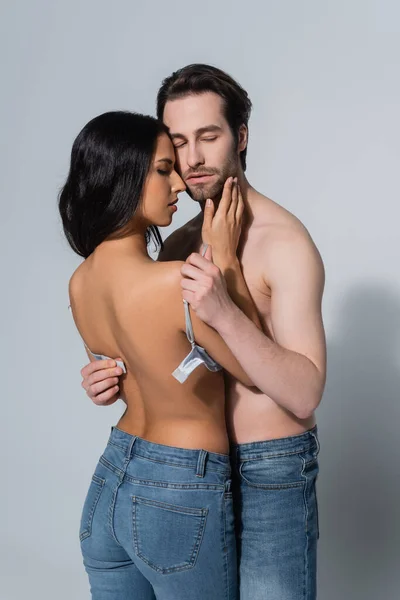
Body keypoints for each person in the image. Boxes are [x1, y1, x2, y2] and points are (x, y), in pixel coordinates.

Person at [81, 64, 327, 600]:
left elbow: (305, 391)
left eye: (209, 137)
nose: (191, 159)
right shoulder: (175, 243)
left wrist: (224, 297)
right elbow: (168, 354)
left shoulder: (283, 243)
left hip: (270, 469)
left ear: (240, 136)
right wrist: (112, 373)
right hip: (187, 473)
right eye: (179, 142)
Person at [59, 110, 261, 600]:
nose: (179, 184)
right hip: (177, 491)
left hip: (110, 481)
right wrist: (226, 258)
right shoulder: (176, 283)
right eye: (163, 169)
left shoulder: (80, 282)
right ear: (124, 174)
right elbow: (256, 368)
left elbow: (123, 373)